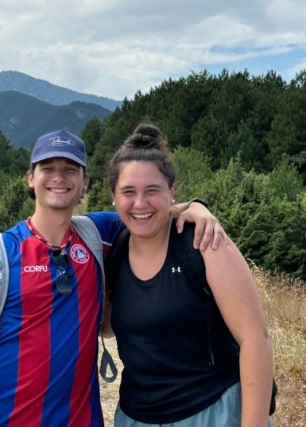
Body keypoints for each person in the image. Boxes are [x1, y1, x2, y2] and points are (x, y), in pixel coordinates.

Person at [0, 129, 224, 427]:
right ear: (30, 178)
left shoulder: (96, 235)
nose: (59, 178)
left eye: (70, 170)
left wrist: (196, 207)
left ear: (84, 182)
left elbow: (144, 210)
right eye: (47, 168)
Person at [102, 123, 274, 427]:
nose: (140, 203)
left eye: (152, 191)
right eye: (128, 192)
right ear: (114, 197)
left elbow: (255, 341)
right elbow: (109, 329)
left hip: (212, 413)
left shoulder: (204, 243)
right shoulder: (114, 250)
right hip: (135, 417)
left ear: (172, 192)